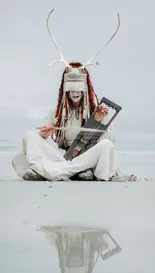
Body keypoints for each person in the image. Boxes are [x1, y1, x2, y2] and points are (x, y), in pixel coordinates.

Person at [12, 10, 136, 182]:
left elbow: (111, 140)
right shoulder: (57, 112)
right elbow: (43, 135)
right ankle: (72, 171)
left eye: (79, 90)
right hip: (62, 155)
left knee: (106, 145)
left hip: (86, 156)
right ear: (65, 92)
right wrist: (43, 133)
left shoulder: (96, 110)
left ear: (85, 90)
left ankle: (55, 170)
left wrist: (99, 121)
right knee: (29, 136)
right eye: (71, 90)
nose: (76, 93)